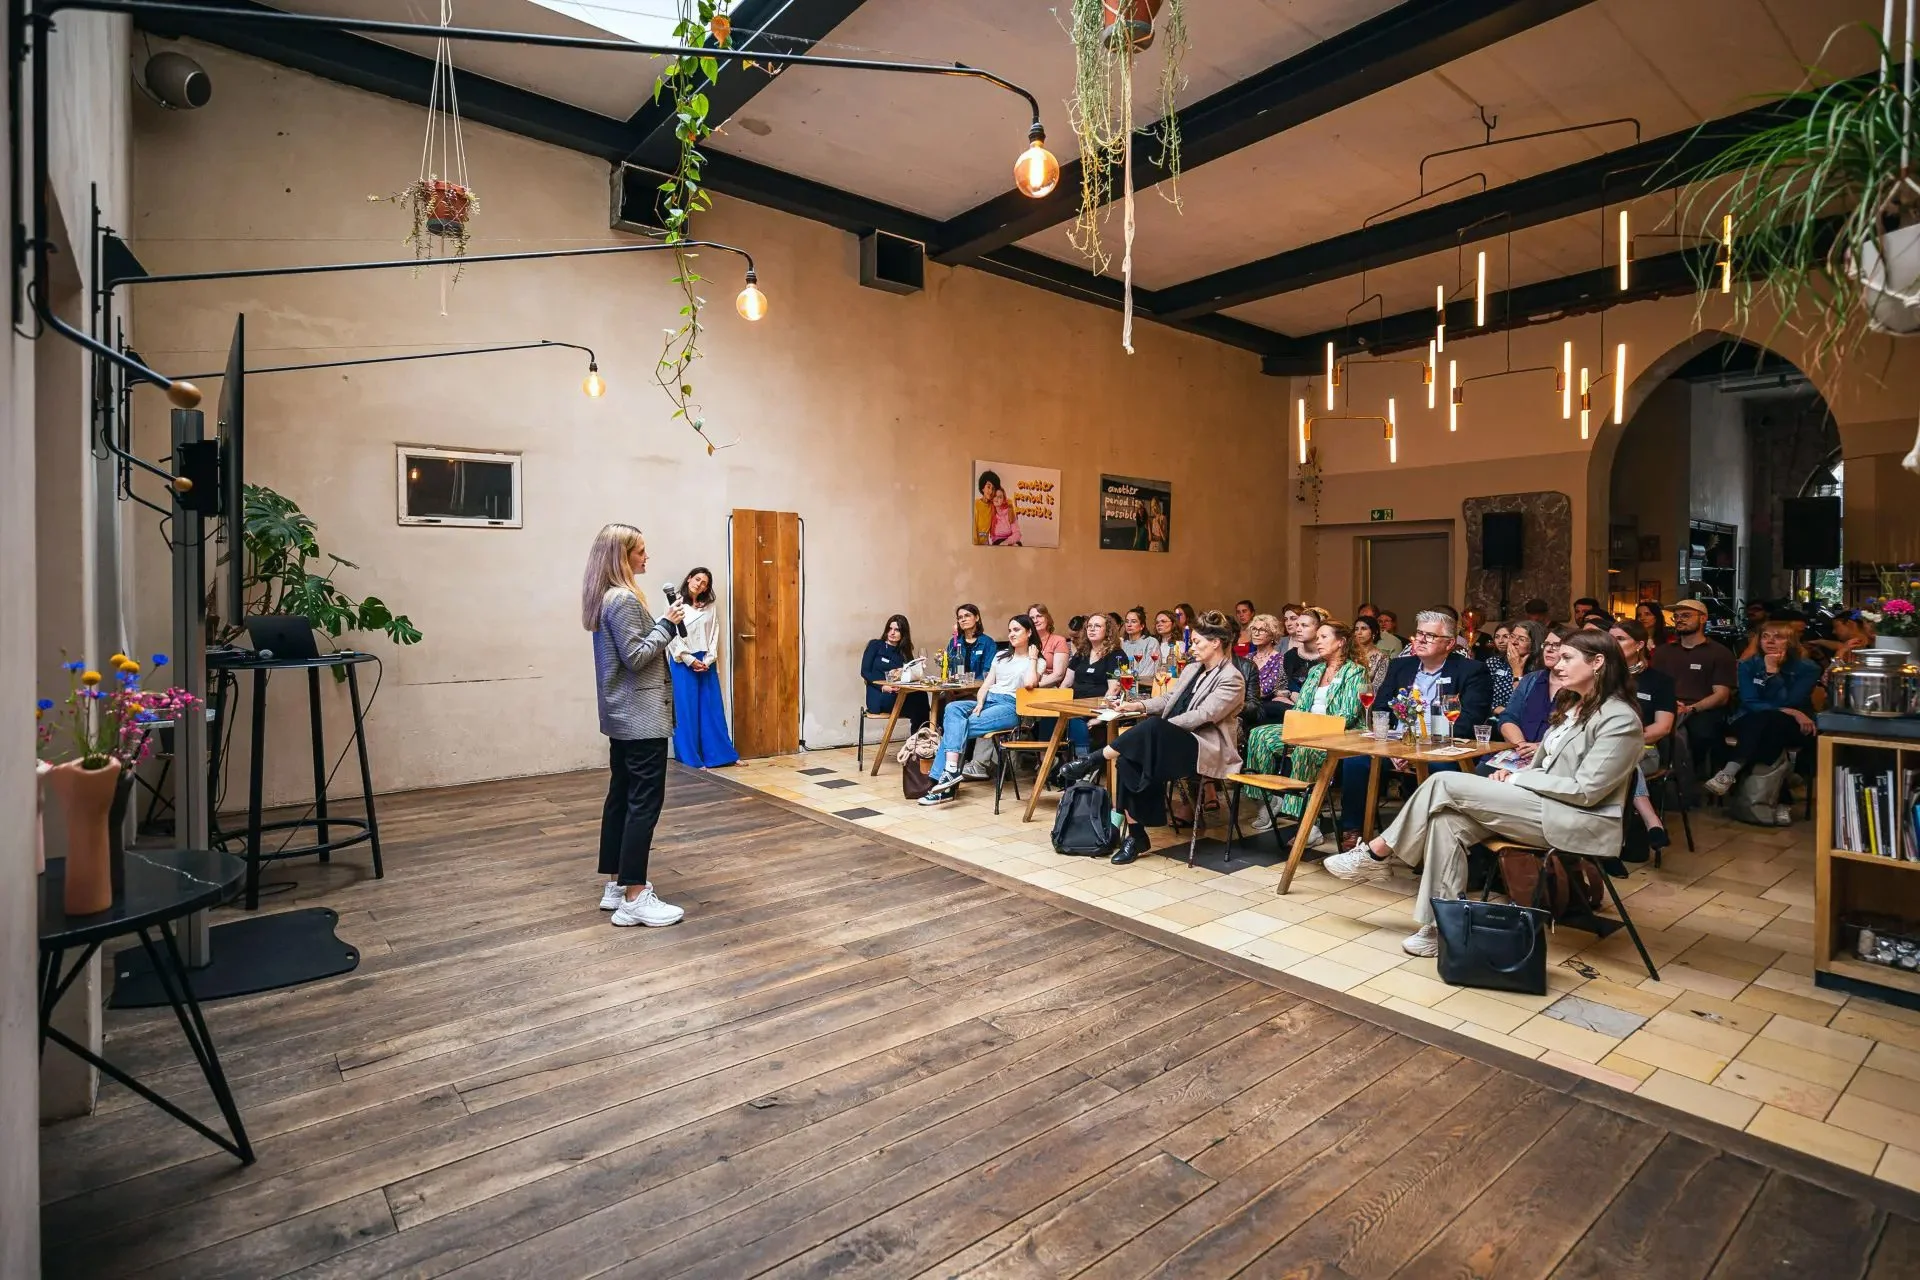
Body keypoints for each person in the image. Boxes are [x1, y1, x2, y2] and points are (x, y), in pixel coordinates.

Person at [1324, 630, 1643, 956]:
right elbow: (1548, 767)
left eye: (1567, 658)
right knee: (1446, 820)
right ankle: (1439, 928)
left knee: (1443, 782)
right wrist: (1518, 773)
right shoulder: (1574, 706)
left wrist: (1519, 781)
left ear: (1598, 662)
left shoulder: (1619, 718)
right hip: (1543, 805)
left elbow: (1587, 790)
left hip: (1578, 818)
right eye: (1558, 657)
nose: (1557, 664)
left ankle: (1377, 853)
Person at [1058, 612, 1245, 864]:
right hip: (1169, 742)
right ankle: (1136, 836)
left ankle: (1093, 760)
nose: (1192, 647)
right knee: (1127, 761)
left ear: (1216, 643)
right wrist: (1136, 707)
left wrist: (1163, 729)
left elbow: (1205, 715)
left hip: (1203, 747)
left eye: (1198, 642)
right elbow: (1169, 699)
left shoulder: (1231, 677)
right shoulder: (1192, 669)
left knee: (1152, 730)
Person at [582, 522, 687, 928]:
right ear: (621, 556)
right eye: (640, 551)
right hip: (641, 718)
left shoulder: (605, 597)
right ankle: (635, 895)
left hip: (623, 716)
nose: (647, 557)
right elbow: (636, 656)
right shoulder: (624, 600)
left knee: (621, 798)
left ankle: (617, 883)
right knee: (644, 803)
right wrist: (665, 624)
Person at [1334, 610, 1493, 848]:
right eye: (1419, 633)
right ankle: (1353, 830)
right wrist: (1395, 746)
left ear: (1449, 643)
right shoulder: (1401, 666)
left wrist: (1419, 749)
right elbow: (1381, 709)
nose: (1420, 640)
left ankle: (1430, 840)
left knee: (1442, 770)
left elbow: (1468, 721)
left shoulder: (1471, 671)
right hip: (1398, 743)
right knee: (1356, 761)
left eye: (1430, 636)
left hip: (1441, 747)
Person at [1243, 620, 1367, 836]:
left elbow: (1346, 715)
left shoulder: (1354, 672)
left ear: (1341, 642)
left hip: (1337, 734)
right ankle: (1266, 799)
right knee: (1259, 735)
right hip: (1307, 729)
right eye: (1317, 637)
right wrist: (1299, 726)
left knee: (1305, 748)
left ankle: (1308, 823)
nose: (1318, 642)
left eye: (1324, 637)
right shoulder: (1316, 670)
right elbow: (1301, 707)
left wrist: (1310, 730)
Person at [922, 615, 1042, 803]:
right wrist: (979, 702)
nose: (1011, 634)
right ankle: (950, 774)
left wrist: (1033, 658)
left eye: (1017, 630)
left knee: (957, 728)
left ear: (1029, 632)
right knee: (953, 708)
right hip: (988, 700)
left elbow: (1029, 684)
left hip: (1010, 706)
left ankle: (939, 783)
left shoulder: (1036, 661)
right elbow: (986, 684)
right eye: (1010, 630)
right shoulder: (1001, 656)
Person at [1703, 621, 1820, 799]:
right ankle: (1783, 796)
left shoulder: (1808, 668)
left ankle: (1731, 770)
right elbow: (1750, 701)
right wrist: (1791, 711)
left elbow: (1793, 700)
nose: (1770, 641)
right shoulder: (1748, 666)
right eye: (1765, 636)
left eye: (1778, 637)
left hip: (1792, 725)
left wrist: (1773, 673)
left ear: (1791, 642)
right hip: (1750, 719)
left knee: (1772, 721)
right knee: (1767, 723)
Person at [1610, 619, 1675, 856]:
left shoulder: (1659, 681)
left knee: (1624, 759)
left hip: (1645, 748)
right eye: (1610, 639)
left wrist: (1626, 740)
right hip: (1604, 748)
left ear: (1638, 645)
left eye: (1619, 639)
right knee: (1617, 760)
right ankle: (1652, 821)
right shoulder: (1602, 676)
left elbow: (1663, 727)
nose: (1612, 644)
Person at [1651, 598, 1736, 777]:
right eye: (1676, 616)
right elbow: (1653, 686)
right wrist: (1669, 704)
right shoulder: (1663, 652)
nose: (1680, 619)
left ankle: (1689, 778)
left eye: (1686, 615)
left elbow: (1721, 695)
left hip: (1701, 709)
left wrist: (1691, 708)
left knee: (1701, 733)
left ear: (1703, 618)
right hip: (1666, 706)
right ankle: (1657, 776)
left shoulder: (1720, 653)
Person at [667, 566, 740, 769]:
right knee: (685, 711)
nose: (700, 584)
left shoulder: (709, 607)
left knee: (711, 708)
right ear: (689, 578)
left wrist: (708, 659)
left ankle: (722, 754)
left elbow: (715, 632)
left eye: (705, 583)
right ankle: (691, 758)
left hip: (706, 661)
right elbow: (670, 633)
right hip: (683, 661)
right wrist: (689, 659)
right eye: (697, 579)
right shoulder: (675, 604)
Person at [1064, 611, 1124, 758]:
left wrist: (1100, 717)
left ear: (1108, 631)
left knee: (1075, 720)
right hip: (1075, 704)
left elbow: (1113, 690)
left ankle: (1083, 763)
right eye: (1089, 626)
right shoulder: (1081, 653)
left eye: (1097, 626)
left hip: (1098, 707)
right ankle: (1049, 763)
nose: (1091, 629)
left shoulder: (1116, 655)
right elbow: (1066, 683)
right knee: (1048, 717)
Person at [862, 614, 928, 731]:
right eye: (890, 629)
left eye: (897, 630)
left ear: (903, 633)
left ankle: (920, 739)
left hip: (898, 694)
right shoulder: (875, 645)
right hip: (879, 695)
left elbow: (909, 676)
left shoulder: (904, 652)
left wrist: (919, 667)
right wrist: (883, 686)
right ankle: (920, 739)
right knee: (919, 706)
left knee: (921, 697)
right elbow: (865, 671)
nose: (892, 633)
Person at [1243, 613, 1290, 723]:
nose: (1256, 633)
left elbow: (1270, 690)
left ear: (1273, 634)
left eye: (1262, 630)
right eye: (1254, 629)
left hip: (1267, 709)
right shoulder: (1247, 658)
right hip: (1244, 706)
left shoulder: (1280, 659)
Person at [945, 603, 996, 679]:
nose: (963, 619)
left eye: (967, 615)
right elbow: (948, 668)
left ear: (977, 618)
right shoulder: (954, 641)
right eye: (960, 617)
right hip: (956, 687)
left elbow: (988, 672)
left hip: (978, 687)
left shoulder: (988, 643)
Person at [1808, 609, 1877, 663]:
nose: (1833, 632)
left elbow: (1840, 646)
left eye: (1836, 627)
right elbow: (1840, 645)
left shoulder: (1860, 645)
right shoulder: (1857, 644)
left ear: (1849, 624)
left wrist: (1817, 641)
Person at [1028, 603, 1071, 688]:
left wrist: (1034, 685)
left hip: (1048, 687)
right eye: (1032, 618)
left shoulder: (1059, 641)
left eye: (1039, 616)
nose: (1035, 620)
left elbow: (1058, 675)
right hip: (1026, 685)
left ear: (1047, 618)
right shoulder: (1026, 641)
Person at [1282, 606, 1323, 691]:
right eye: (1297, 625)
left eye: (1304, 625)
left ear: (1318, 629)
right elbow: (1283, 685)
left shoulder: (1326, 656)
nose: (1298, 629)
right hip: (1290, 701)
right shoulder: (1290, 655)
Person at [1351, 614, 1390, 695]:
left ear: (1374, 632)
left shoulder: (1382, 658)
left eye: (1363, 629)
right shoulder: (1350, 654)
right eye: (1356, 629)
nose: (1359, 632)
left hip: (1368, 700)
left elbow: (1376, 687)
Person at [1120, 606, 1162, 680]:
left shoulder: (1151, 642)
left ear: (1142, 626)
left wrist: (1133, 680)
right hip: (1123, 684)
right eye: (1127, 621)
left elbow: (1150, 670)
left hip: (1144, 685)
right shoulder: (1122, 643)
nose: (1129, 625)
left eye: (1133, 621)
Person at [971, 472, 999, 546]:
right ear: (983, 488)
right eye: (988, 487)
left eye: (993, 489)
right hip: (975, 545)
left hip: (986, 547)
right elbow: (972, 530)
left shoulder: (993, 506)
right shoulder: (975, 504)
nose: (991, 491)